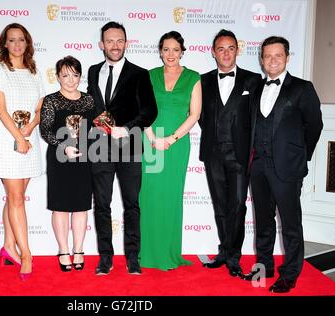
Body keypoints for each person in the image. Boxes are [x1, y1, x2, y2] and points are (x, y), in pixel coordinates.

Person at [243, 36, 323, 293]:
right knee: (263, 221)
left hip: (288, 167)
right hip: (258, 166)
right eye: (268, 56)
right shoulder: (255, 88)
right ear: (262, 59)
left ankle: (290, 273)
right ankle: (263, 265)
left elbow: (315, 127)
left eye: (278, 55)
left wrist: (299, 156)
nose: (273, 60)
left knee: (290, 222)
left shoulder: (302, 88)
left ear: (287, 58)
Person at [87, 21, 157, 275]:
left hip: (130, 148)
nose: (115, 46)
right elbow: (91, 107)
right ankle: (105, 258)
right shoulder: (93, 71)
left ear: (126, 43)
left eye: (119, 41)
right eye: (110, 41)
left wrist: (126, 128)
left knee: (132, 204)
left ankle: (133, 257)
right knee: (102, 205)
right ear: (101, 44)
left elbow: (150, 112)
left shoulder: (140, 73)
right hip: (99, 149)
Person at [199, 29, 262, 277]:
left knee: (237, 206)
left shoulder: (253, 80)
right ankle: (224, 252)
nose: (226, 53)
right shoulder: (202, 81)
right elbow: (200, 115)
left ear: (238, 50)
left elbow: (259, 116)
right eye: (221, 48)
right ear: (213, 52)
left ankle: (234, 256)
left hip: (241, 154)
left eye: (231, 48)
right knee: (220, 206)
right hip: (213, 152)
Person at [139, 31, 201, 270]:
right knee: (149, 196)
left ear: (182, 51)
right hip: (149, 142)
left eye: (175, 49)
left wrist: (171, 138)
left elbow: (194, 114)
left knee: (171, 198)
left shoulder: (193, 77)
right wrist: (154, 138)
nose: (171, 54)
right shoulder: (149, 76)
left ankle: (168, 252)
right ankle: (148, 253)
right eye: (166, 49)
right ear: (160, 51)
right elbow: (142, 110)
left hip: (177, 144)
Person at [0, 23, 45, 281]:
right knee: (16, 199)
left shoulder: (34, 71)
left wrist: (29, 130)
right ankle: (26, 255)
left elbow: (40, 107)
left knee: (16, 197)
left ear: (27, 42)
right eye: (12, 40)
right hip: (6, 140)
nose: (17, 44)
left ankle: (8, 246)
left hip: (28, 139)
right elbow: (0, 109)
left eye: (21, 39)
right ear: (5, 44)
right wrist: (18, 138)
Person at [40, 56, 95, 272]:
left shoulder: (89, 100)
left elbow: (100, 123)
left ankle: (79, 249)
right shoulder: (51, 100)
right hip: (59, 157)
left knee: (81, 206)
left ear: (80, 76)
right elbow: (45, 129)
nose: (70, 80)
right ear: (57, 77)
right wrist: (63, 146)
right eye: (65, 75)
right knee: (60, 206)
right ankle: (63, 250)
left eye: (75, 75)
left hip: (84, 156)